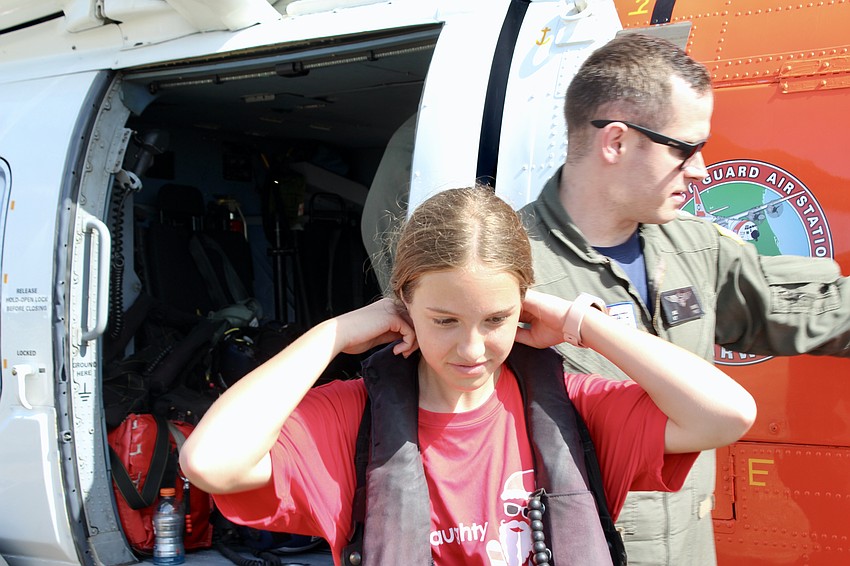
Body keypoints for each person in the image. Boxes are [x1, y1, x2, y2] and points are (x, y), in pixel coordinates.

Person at [180, 186, 756, 566]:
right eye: (445, 320)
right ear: (403, 304)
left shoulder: (574, 408)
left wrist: (581, 321)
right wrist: (334, 334)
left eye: (497, 318)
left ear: (524, 306)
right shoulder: (353, 419)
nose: (471, 348)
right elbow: (211, 463)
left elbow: (727, 414)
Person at [519, 32, 850, 566]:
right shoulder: (508, 268)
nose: (699, 169)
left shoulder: (693, 245)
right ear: (617, 142)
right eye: (685, 148)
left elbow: (809, 307)